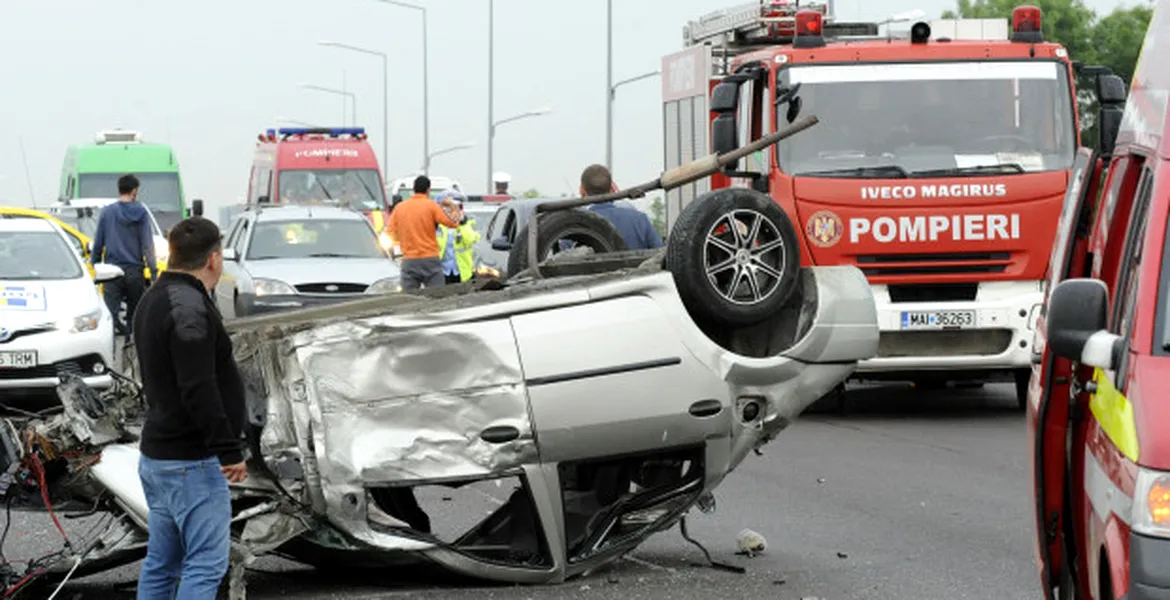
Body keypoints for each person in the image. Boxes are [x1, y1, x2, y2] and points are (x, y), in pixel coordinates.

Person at [132, 217, 247, 599]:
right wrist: (228, 449)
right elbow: (198, 386)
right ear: (214, 259)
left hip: (159, 456)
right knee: (206, 562)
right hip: (191, 462)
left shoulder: (153, 298)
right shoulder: (189, 308)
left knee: (163, 563)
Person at [90, 174, 158, 337]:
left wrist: (95, 266)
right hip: (134, 271)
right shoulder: (141, 212)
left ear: (119, 189)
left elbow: (98, 242)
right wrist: (153, 270)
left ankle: (112, 355)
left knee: (110, 318)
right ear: (134, 191)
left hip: (110, 273)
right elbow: (147, 244)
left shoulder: (107, 213)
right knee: (135, 317)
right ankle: (131, 351)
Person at [385, 175, 463, 290]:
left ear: (413, 189)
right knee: (437, 296)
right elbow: (454, 223)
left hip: (409, 260)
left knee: (409, 298)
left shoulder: (399, 208)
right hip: (430, 259)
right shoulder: (432, 206)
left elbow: (389, 233)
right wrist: (453, 206)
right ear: (428, 190)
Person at [579, 164, 664, 250]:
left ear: (582, 190)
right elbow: (660, 254)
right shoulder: (640, 220)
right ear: (612, 188)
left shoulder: (575, 224)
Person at [435, 190, 482, 284]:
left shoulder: (469, 223)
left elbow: (469, 240)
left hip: (463, 272)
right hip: (442, 272)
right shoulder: (438, 225)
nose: (453, 210)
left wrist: (462, 223)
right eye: (448, 207)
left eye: (458, 207)